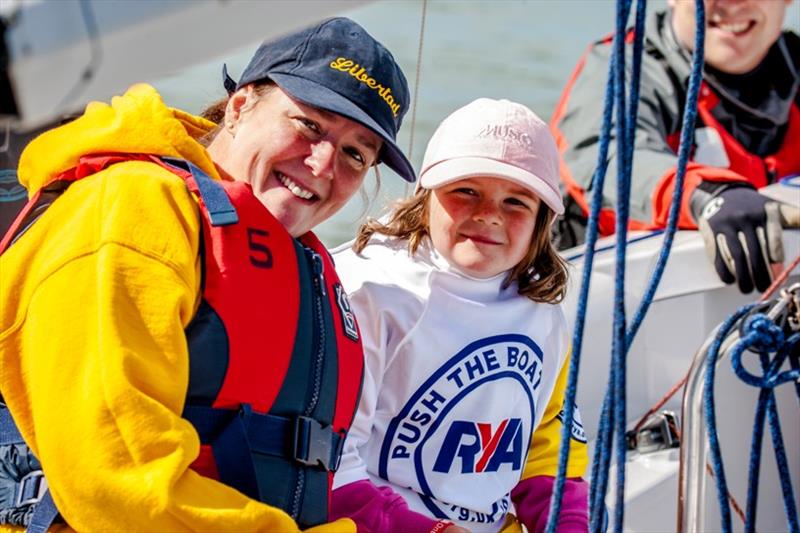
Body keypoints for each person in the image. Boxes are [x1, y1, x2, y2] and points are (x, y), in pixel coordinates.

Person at [0, 17, 415, 532]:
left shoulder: (299, 258)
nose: (325, 163)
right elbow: (117, 477)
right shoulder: (132, 206)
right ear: (240, 106)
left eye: (356, 153)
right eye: (309, 125)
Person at [328, 98, 589, 533]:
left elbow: (546, 444)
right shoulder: (369, 292)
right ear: (425, 194)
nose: (488, 214)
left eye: (516, 202)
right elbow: (332, 466)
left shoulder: (543, 309)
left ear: (542, 219)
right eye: (466, 191)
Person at [551, 0, 800, 294]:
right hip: (624, 298)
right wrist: (708, 195)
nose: (733, 3)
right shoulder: (623, 68)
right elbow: (602, 156)